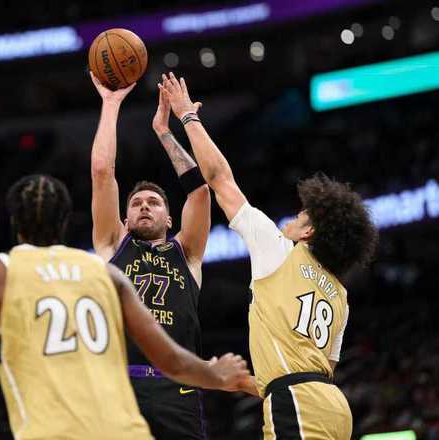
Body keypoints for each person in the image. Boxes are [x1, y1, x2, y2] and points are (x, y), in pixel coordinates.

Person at [0, 174, 249, 440]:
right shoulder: (105, 274)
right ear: (65, 223)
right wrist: (215, 374)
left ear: (13, 223)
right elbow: (171, 360)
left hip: (52, 429)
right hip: (124, 427)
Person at [159, 72, 379, 439]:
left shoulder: (279, 250)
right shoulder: (339, 295)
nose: (294, 216)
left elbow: (219, 178)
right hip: (331, 406)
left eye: (302, 215)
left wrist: (187, 116)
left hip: (297, 401)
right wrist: (244, 383)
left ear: (309, 233)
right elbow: (314, 367)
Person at [88, 72, 212, 439]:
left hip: (179, 387)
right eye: (136, 203)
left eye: (154, 203)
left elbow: (200, 192)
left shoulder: (187, 253)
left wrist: (163, 130)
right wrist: (111, 104)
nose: (144, 206)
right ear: (124, 219)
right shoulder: (113, 244)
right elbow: (102, 172)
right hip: (121, 385)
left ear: (170, 219)